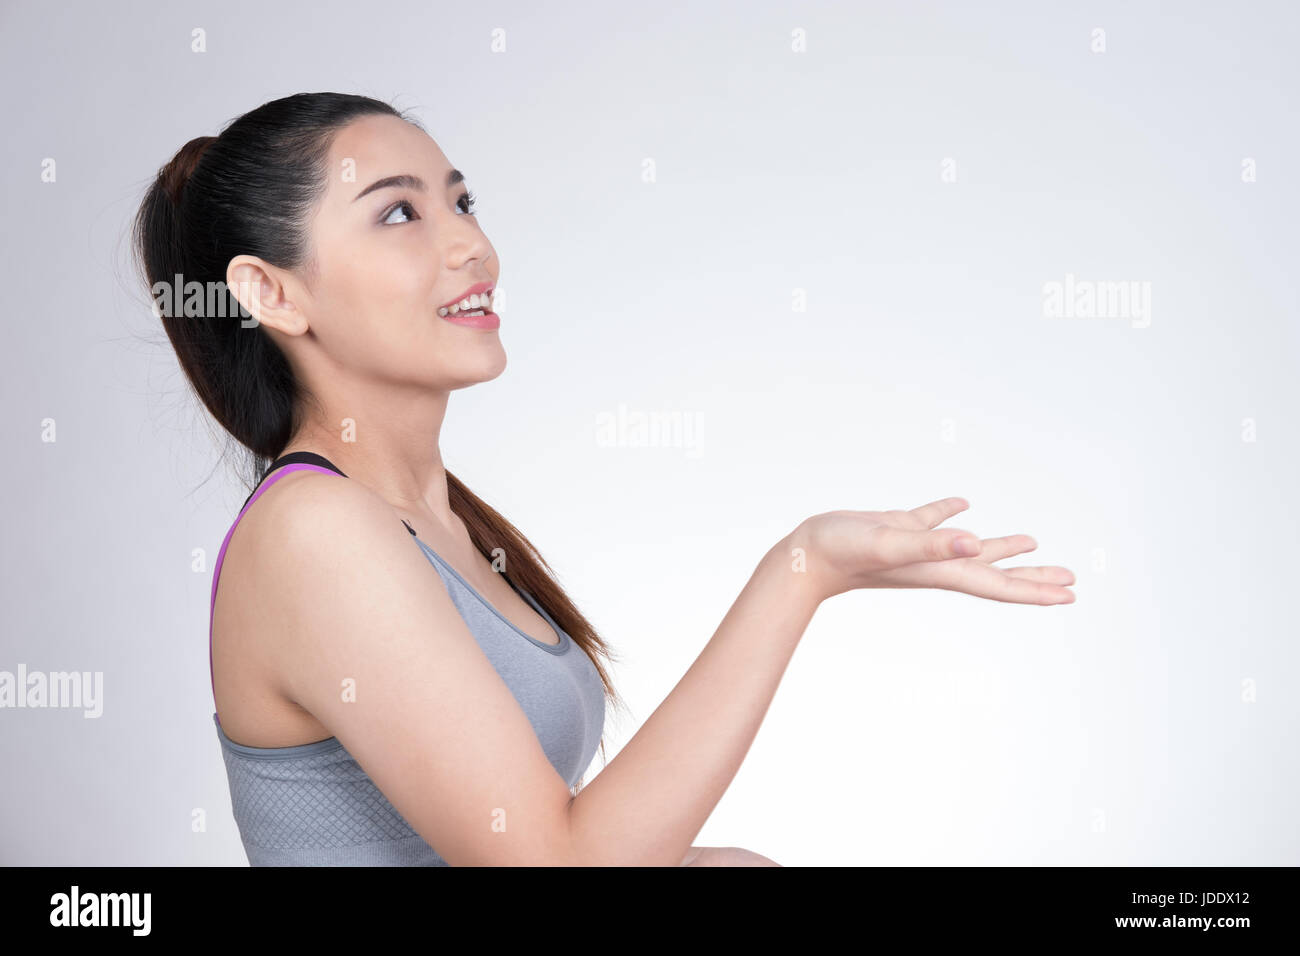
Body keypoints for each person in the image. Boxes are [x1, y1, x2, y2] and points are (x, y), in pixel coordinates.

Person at [132, 92, 1075, 867]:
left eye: (462, 202)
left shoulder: (438, 521)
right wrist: (803, 573)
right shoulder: (317, 533)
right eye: (398, 213)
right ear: (271, 292)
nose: (470, 246)